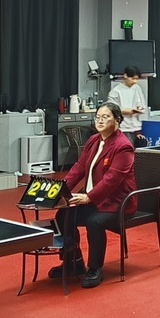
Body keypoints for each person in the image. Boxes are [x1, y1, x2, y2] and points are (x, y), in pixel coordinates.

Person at [51, 101, 136, 289]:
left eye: (105, 117)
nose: (100, 121)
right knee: (63, 215)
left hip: (117, 203)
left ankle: (95, 269)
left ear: (117, 120)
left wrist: (89, 197)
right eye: (98, 117)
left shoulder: (123, 147)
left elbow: (111, 179)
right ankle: (73, 262)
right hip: (95, 200)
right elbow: (79, 168)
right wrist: (60, 190)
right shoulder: (93, 140)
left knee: (94, 222)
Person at [108, 66, 147, 145]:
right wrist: (123, 111)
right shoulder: (116, 90)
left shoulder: (137, 88)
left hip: (135, 127)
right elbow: (111, 109)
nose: (134, 81)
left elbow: (142, 105)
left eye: (136, 79)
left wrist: (140, 109)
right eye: (132, 78)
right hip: (122, 128)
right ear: (125, 76)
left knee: (142, 144)